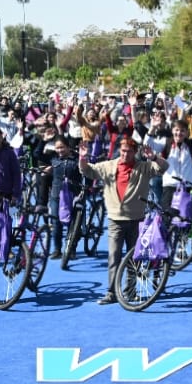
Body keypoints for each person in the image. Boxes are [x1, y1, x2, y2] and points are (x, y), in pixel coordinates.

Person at [78, 126, 164, 305]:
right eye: (123, 151)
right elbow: (88, 171)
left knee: (135, 257)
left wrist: (154, 157)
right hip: (115, 220)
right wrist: (83, 158)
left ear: (135, 152)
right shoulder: (109, 166)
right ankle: (111, 292)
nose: (125, 154)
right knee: (113, 256)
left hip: (136, 219)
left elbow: (163, 168)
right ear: (119, 150)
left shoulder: (143, 167)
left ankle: (130, 290)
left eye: (129, 151)